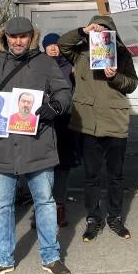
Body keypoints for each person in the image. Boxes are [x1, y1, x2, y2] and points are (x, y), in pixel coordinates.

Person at [0, 16, 73, 274]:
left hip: (37, 144)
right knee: (2, 205)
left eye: (23, 36)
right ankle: (2, 260)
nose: (18, 41)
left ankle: (51, 256)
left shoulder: (45, 63)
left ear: (31, 37)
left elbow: (64, 93)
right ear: (5, 38)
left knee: (45, 203)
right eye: (13, 37)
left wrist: (54, 107)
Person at [59, 15, 138, 242]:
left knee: (116, 176)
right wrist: (83, 31)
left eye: (105, 29)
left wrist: (116, 78)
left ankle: (115, 217)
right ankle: (94, 218)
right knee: (91, 176)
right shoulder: (80, 52)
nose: (100, 32)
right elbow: (63, 44)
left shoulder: (122, 54)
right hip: (88, 123)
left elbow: (131, 84)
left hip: (115, 122)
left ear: (113, 32)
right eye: (96, 29)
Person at [42, 33, 77, 227]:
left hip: (64, 120)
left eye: (56, 45)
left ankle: (60, 206)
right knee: (44, 166)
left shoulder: (70, 66)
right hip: (45, 121)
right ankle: (45, 209)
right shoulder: (38, 66)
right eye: (49, 46)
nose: (53, 48)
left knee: (62, 166)